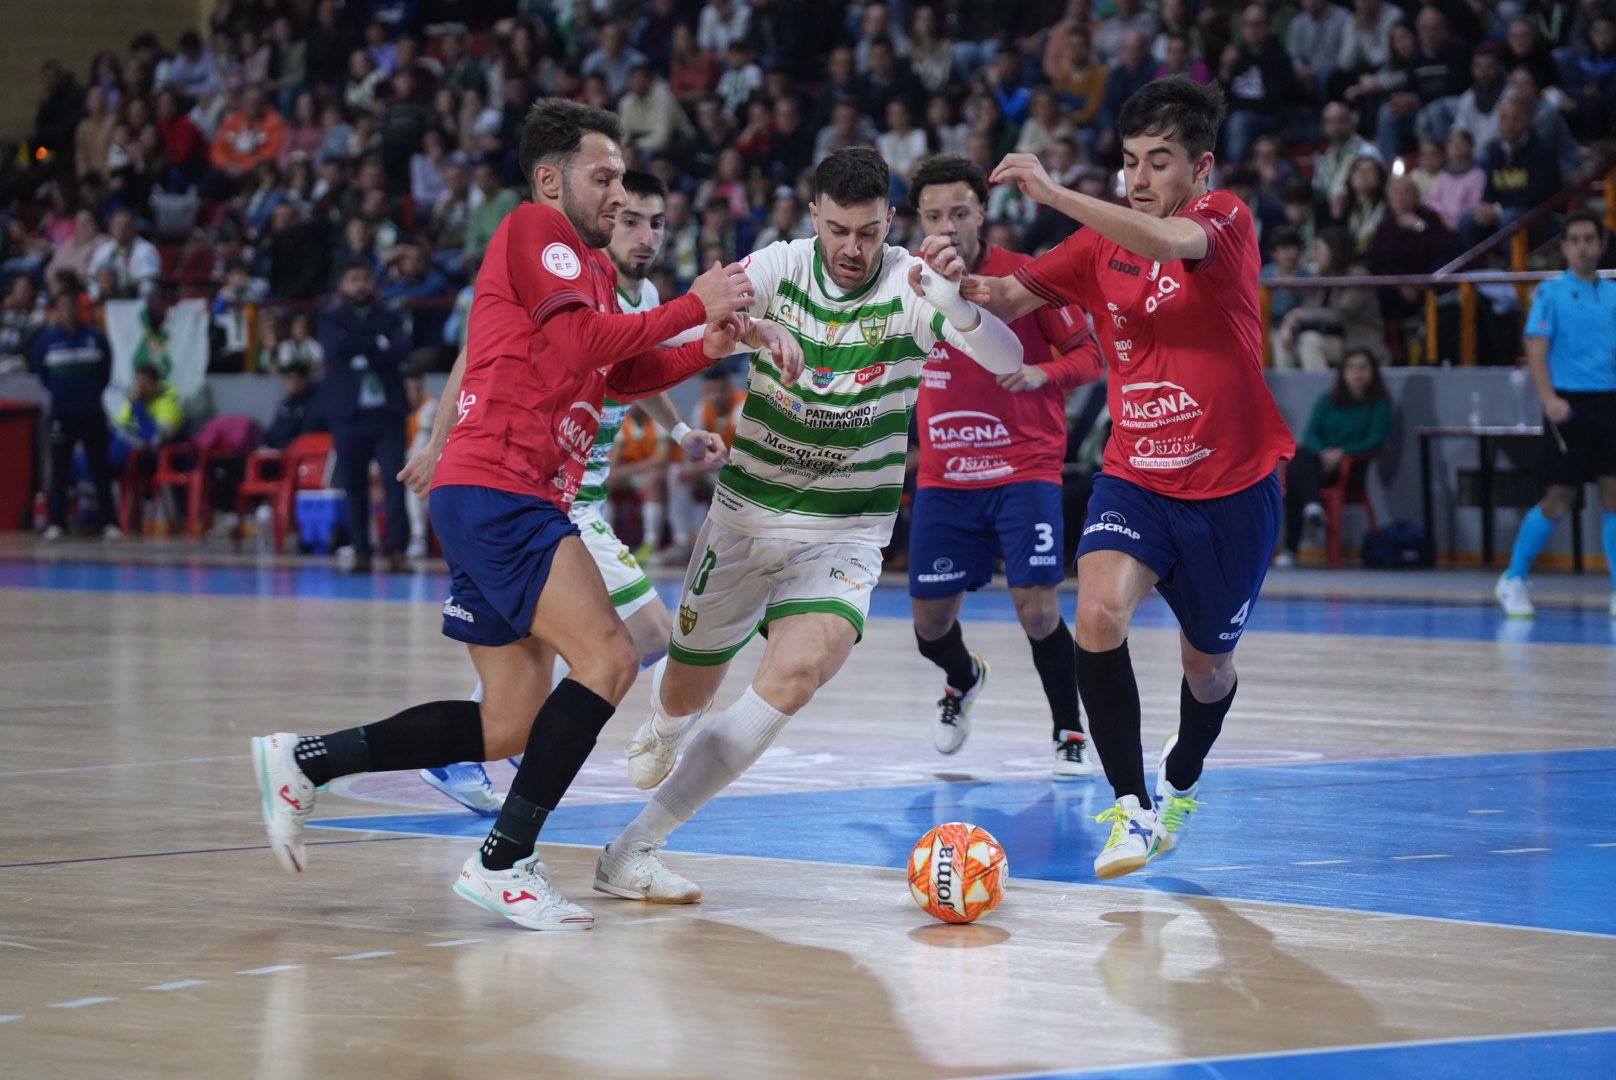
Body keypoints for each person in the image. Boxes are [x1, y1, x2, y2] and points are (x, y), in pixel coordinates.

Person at [251, 99, 770, 933]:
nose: (615, 192)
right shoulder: (536, 231)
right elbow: (578, 349)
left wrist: (708, 344)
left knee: (507, 723)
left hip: (499, 493)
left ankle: (305, 760)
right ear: (548, 178)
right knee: (609, 658)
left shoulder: (594, 271)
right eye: (602, 177)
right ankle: (505, 860)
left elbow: (616, 374)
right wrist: (694, 304)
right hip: (504, 487)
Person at [593, 147, 1025, 905]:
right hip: (747, 517)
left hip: (847, 530)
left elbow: (1007, 354)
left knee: (796, 676)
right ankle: (666, 724)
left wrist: (958, 305)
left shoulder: (912, 284)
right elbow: (709, 314)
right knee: (688, 687)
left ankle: (633, 849)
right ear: (813, 217)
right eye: (836, 231)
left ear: (888, 220)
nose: (852, 249)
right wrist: (753, 329)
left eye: (866, 231)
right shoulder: (783, 264)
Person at [943, 77, 1295, 879]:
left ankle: (1181, 778)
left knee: (1208, 670)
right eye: (1131, 161)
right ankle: (1131, 809)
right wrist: (953, 281)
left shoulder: (1226, 220)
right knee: (1096, 614)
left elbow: (1167, 244)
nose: (1139, 178)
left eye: (1158, 162)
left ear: (1200, 168)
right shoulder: (1099, 247)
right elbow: (1004, 293)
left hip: (1234, 490)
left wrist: (1051, 189)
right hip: (1136, 477)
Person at [418, 169, 738, 816]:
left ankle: (498, 739)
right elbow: (477, 352)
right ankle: (496, 746)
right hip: (538, 488)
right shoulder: (567, 274)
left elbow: (626, 370)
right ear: (603, 215)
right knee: (643, 637)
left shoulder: (641, 292)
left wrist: (679, 430)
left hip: (571, 491)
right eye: (630, 220)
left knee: (610, 645)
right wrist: (436, 438)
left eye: (657, 223)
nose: (645, 235)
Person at [904, 154, 1105, 778]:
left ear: (982, 213)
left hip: (1026, 469)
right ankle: (963, 679)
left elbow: (1090, 355)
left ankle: (1068, 730)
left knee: (1039, 611)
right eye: (934, 215)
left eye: (959, 212)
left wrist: (1045, 371)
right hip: (945, 478)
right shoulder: (904, 283)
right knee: (929, 626)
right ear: (918, 220)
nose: (948, 225)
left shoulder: (1028, 279)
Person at [1496, 212, 1616, 619]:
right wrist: (1549, 398)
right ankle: (1514, 578)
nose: (1583, 247)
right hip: (1568, 404)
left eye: (1590, 239)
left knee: (1614, 497)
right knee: (1558, 498)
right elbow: (1536, 348)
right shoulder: (1551, 294)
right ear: (1564, 248)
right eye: (1575, 240)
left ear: (1601, 245)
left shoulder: (1614, 295)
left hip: (1609, 403)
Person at [318, 259, 412, 573]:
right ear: (343, 285)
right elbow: (336, 350)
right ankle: (361, 550)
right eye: (354, 279)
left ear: (373, 283)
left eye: (365, 279)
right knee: (354, 484)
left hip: (387, 413)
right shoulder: (331, 317)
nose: (360, 285)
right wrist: (376, 344)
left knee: (394, 482)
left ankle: (398, 550)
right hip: (348, 413)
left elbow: (400, 349)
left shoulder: (391, 314)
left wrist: (358, 344)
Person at [1275, 349, 1394, 566]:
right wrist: (1323, 453)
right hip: (1318, 465)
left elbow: (1374, 441)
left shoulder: (1380, 405)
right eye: (1351, 368)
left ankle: (1295, 541)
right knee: (1298, 458)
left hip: (1350, 470)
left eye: (1363, 368)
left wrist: (1342, 453)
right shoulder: (1327, 400)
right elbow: (1311, 434)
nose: (1357, 373)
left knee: (1297, 477)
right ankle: (1310, 509)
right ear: (1343, 373)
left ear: (1373, 373)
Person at [28, 287, 117, 541]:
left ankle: (109, 522)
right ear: (56, 310)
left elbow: (105, 373)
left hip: (91, 413)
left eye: (73, 306)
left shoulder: (96, 338)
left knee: (100, 467)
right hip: (61, 414)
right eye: (64, 306)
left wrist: (88, 395)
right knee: (59, 470)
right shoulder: (47, 340)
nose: (69, 311)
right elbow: (44, 376)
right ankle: (57, 523)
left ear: (80, 308)